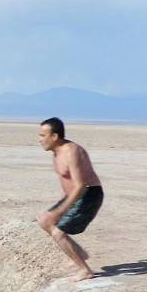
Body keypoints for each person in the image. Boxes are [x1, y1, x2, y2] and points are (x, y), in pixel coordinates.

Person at [36, 117, 104, 282]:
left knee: (58, 233)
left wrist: (60, 211)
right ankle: (80, 253)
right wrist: (60, 205)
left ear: (54, 137)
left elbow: (80, 185)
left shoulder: (71, 151)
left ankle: (84, 270)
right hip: (74, 196)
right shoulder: (55, 152)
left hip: (88, 195)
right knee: (44, 221)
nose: (39, 139)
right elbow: (66, 183)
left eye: (42, 135)